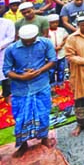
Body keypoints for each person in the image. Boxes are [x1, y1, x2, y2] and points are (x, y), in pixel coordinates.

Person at [3, 25, 56, 158]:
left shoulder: (45, 43)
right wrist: (22, 77)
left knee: (43, 112)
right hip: (21, 89)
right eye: (25, 40)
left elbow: (52, 60)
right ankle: (22, 144)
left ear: (36, 37)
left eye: (31, 40)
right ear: (19, 38)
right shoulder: (11, 49)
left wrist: (39, 71)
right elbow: (6, 70)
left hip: (41, 84)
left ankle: (44, 138)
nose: (28, 43)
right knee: (21, 117)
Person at [47, 14, 69, 85]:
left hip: (61, 53)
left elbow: (66, 38)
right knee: (51, 70)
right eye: (52, 23)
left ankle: (60, 82)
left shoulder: (61, 30)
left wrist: (61, 46)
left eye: (56, 22)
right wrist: (53, 48)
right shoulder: (47, 32)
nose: (55, 24)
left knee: (61, 69)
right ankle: (52, 83)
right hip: (50, 55)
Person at [0, 17, 16, 99]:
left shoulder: (7, 23)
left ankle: (7, 96)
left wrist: (1, 45)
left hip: (4, 52)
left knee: (6, 74)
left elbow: (11, 38)